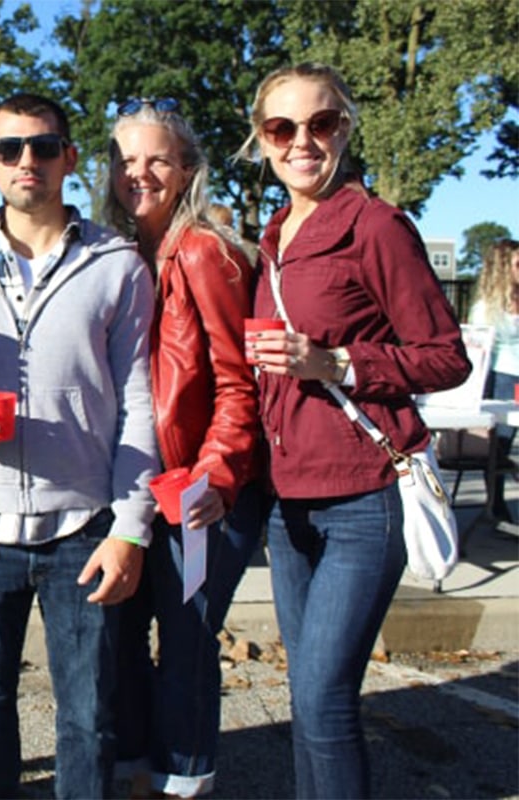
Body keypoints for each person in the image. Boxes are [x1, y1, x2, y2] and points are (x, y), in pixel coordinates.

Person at [237, 62, 470, 799]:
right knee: (310, 703)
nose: (301, 142)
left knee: (324, 698)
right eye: (281, 127)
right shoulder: (275, 233)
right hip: (287, 499)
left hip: (361, 499)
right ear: (261, 139)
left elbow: (445, 358)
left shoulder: (374, 226)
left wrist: (335, 361)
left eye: (321, 123)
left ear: (346, 126)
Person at [0, 92, 158, 799]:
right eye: (9, 150)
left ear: (70, 159)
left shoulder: (117, 264)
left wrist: (131, 529)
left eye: (44, 147)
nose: (29, 162)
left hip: (83, 530)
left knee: (87, 714)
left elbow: (138, 401)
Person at [103, 99, 262, 798]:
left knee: (188, 640)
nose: (139, 173)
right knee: (125, 632)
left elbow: (238, 381)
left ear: (188, 169)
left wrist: (214, 478)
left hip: (198, 489)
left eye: (157, 159)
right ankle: (139, 765)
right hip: (140, 484)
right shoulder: (117, 253)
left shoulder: (203, 250)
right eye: (125, 159)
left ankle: (184, 777)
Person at [468, 238, 519, 520]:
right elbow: (479, 349)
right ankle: (496, 504)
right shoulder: (486, 308)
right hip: (503, 377)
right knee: (501, 443)